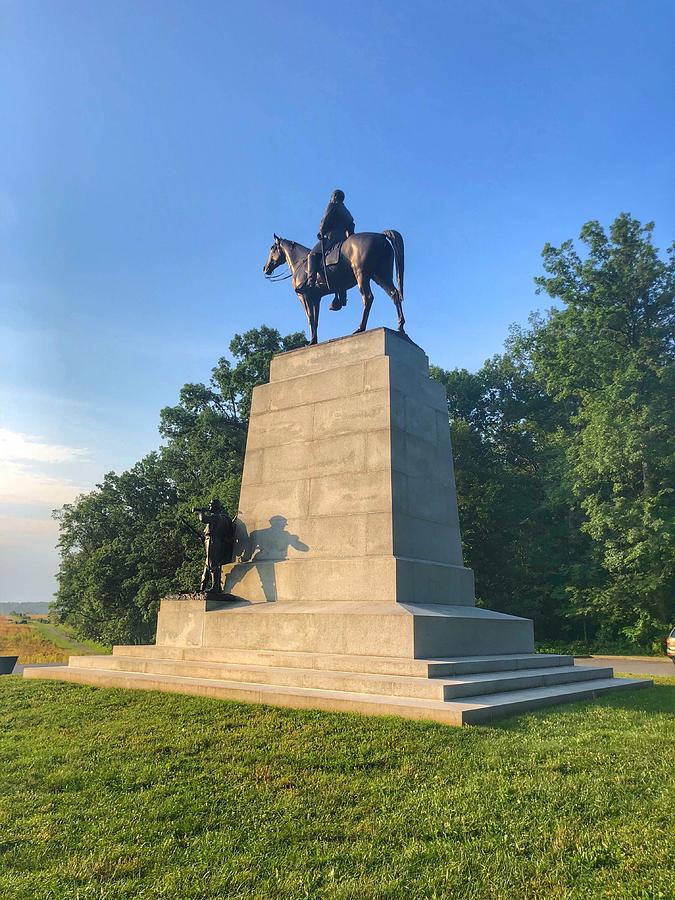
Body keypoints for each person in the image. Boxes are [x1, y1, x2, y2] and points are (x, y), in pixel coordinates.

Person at [306, 189, 355, 309]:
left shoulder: (332, 205)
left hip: (331, 237)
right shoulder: (347, 212)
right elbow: (351, 227)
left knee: (311, 255)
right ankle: (342, 297)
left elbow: (325, 220)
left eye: (332, 196)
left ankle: (310, 282)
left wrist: (321, 233)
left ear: (334, 197)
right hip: (344, 239)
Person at [193, 498, 234, 592]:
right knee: (207, 564)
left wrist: (200, 512)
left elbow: (203, 519)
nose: (209, 506)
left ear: (215, 507)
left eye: (211, 504)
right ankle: (202, 588)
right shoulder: (223, 518)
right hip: (212, 540)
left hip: (213, 541)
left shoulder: (216, 517)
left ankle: (215, 587)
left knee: (212, 564)